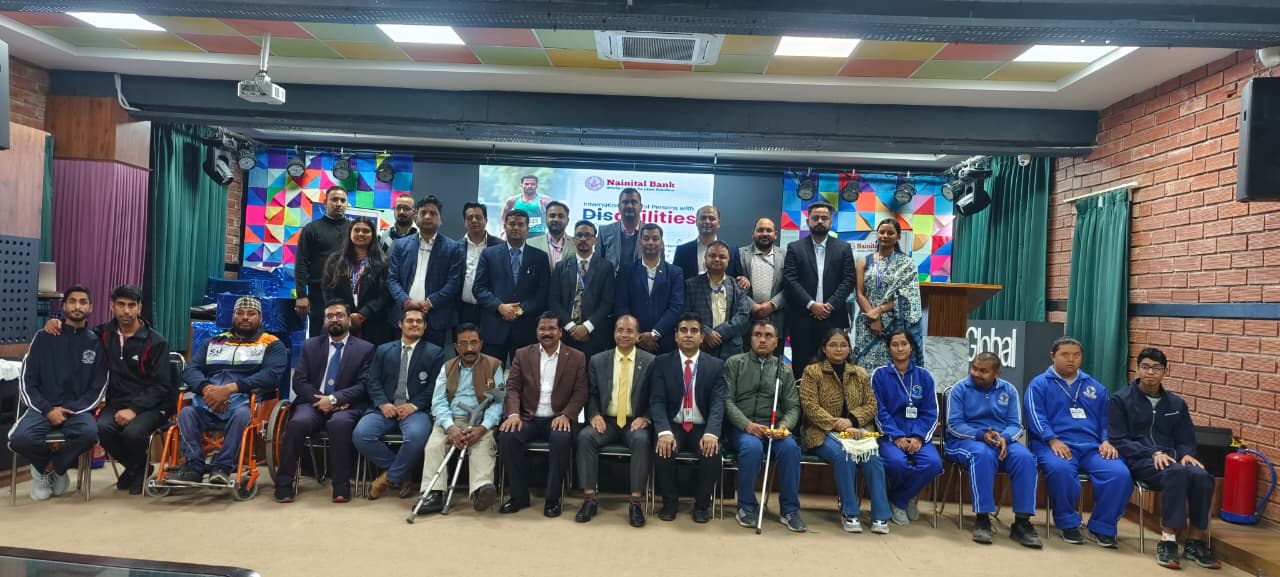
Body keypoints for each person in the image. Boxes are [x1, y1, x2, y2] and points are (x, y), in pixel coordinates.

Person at [1110, 348, 1219, 569]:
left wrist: (1186, 454)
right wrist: (1152, 453)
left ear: (1165, 371)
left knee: (1201, 476)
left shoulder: (1177, 404)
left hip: (1173, 459)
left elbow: (1186, 439)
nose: (1150, 372)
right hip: (1141, 460)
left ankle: (1195, 541)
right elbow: (1118, 439)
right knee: (1175, 473)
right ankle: (1168, 540)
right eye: (1145, 367)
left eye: (1156, 368)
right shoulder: (1120, 400)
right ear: (1137, 369)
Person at [62, 284, 171, 495]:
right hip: (117, 402)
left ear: (139, 308)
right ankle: (139, 467)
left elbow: (162, 386)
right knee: (100, 428)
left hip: (153, 405)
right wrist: (57, 323)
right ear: (112, 306)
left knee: (133, 433)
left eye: (131, 305)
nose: (126, 310)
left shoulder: (157, 342)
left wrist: (134, 409)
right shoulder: (102, 334)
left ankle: (135, 469)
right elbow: (77, 332)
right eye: (121, 304)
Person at [171, 297, 288, 486]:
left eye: (251, 314)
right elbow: (191, 370)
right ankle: (193, 466)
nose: (245, 317)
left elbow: (271, 375)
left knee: (242, 415)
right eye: (240, 313)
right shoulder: (214, 342)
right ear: (233, 316)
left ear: (260, 318)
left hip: (245, 402)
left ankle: (223, 467)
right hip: (208, 401)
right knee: (186, 413)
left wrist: (230, 390)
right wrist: (208, 389)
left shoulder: (272, 344)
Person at [1026, 337, 1131, 547]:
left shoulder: (1096, 387)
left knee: (1120, 474)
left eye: (1076, 355)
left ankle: (1102, 527)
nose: (1071, 359)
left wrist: (1107, 441)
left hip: (1092, 447)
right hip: (1052, 445)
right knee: (1061, 470)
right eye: (1065, 355)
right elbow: (1036, 417)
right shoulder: (1039, 384)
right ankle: (1068, 524)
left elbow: (1106, 420)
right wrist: (1052, 440)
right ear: (1053, 356)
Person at [10, 285, 108, 500]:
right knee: (19, 438)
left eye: (83, 302)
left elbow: (97, 388)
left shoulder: (96, 343)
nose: (77, 306)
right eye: (72, 301)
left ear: (91, 308)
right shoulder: (44, 337)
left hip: (76, 411)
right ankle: (45, 469)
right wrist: (48, 410)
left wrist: (68, 410)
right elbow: (27, 381)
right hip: (41, 409)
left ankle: (52, 467)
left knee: (90, 434)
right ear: (63, 306)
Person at [273, 300, 375, 504]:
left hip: (346, 405)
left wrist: (335, 399)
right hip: (313, 403)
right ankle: (284, 484)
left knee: (340, 424)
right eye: (330, 316)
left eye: (339, 315)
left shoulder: (366, 349)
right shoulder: (311, 345)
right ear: (324, 320)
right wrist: (322, 400)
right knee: (297, 423)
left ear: (349, 320)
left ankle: (341, 485)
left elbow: (364, 385)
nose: (334, 319)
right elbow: (299, 381)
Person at [943, 352, 1042, 547]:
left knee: (1026, 458)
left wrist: (1004, 438)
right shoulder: (960, 389)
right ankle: (982, 519)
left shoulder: (1009, 390)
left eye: (983, 371)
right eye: (974, 368)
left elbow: (1015, 425)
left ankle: (1022, 523)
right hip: (965, 440)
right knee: (982, 454)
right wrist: (981, 435)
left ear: (997, 373)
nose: (976, 373)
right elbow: (954, 425)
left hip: (1001, 440)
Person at [798, 328, 891, 534]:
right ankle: (850, 512)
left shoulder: (860, 373)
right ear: (824, 348)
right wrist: (837, 424)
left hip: (857, 431)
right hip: (821, 432)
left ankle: (880, 516)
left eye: (843, 345)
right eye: (833, 345)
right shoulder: (812, 371)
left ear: (849, 348)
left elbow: (871, 405)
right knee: (844, 455)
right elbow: (810, 406)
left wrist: (851, 421)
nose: (838, 349)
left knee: (873, 459)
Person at [497, 313, 588, 517]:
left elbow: (581, 391)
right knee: (507, 436)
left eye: (551, 329)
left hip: (558, 417)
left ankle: (552, 499)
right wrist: (513, 414)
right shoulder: (522, 354)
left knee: (561, 439)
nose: (546, 333)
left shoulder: (576, 357)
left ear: (560, 332)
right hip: (527, 417)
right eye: (542, 329)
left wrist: (567, 415)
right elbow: (513, 388)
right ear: (536, 332)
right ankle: (519, 496)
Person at [352, 309, 444, 500]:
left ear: (425, 326)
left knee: (416, 436)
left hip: (416, 411)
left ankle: (388, 478)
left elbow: (436, 387)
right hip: (384, 409)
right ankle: (402, 473)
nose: (414, 324)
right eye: (410, 321)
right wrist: (383, 403)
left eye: (419, 321)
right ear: (400, 324)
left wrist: (414, 406)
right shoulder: (383, 350)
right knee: (361, 435)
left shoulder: (435, 352)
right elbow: (373, 381)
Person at [575, 315, 655, 527]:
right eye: (620, 330)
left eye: (629, 331)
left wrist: (646, 417)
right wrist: (594, 415)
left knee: (641, 440)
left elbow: (656, 397)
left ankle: (635, 503)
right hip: (607, 421)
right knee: (585, 437)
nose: (624, 335)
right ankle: (589, 499)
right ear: (613, 334)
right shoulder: (598, 360)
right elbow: (591, 394)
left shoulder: (650, 361)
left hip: (634, 421)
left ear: (637, 335)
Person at [416, 323, 505, 514]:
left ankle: (481, 490)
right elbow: (438, 402)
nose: (469, 348)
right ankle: (433, 494)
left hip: (480, 420)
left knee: (484, 442)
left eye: (474, 343)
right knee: (434, 445)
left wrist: (483, 427)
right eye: (463, 344)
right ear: (456, 347)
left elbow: (498, 403)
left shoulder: (494, 365)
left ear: (481, 344)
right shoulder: (447, 367)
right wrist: (450, 427)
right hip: (451, 419)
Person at [724, 321, 804, 532]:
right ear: (750, 339)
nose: (762, 339)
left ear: (776, 341)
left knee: (791, 448)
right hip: (743, 427)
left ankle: (790, 510)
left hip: (774, 427)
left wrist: (784, 426)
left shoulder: (783, 369)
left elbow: (793, 406)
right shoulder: (734, 363)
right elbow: (727, 401)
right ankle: (746, 507)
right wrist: (746, 425)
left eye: (768, 336)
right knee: (751, 448)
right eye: (757, 334)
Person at [650, 313, 725, 524]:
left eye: (694, 331)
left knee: (712, 454)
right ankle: (669, 503)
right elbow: (657, 401)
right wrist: (664, 432)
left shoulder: (716, 365)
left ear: (702, 337)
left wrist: (712, 433)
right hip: (673, 424)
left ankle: (701, 506)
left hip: (702, 426)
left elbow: (718, 403)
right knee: (663, 450)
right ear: (675, 336)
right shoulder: (662, 362)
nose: (688, 335)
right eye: (683, 330)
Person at [870, 330, 942, 526]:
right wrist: (896, 436)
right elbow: (878, 410)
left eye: (904, 344)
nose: (900, 348)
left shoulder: (924, 376)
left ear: (911, 347)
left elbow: (931, 412)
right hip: (890, 436)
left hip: (918, 436)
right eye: (895, 344)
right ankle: (905, 499)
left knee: (933, 464)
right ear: (888, 348)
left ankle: (899, 499)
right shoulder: (879, 375)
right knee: (896, 463)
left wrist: (918, 437)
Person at [783, 202, 856, 378]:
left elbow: (849, 280)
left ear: (831, 222)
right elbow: (790, 280)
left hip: (834, 318)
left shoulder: (843, 248)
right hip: (802, 318)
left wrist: (829, 305)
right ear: (808, 221)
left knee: (834, 366)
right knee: (802, 368)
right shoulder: (795, 248)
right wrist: (811, 304)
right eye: (815, 218)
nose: (820, 221)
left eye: (824, 218)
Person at [473, 209, 551, 361]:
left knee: (525, 374)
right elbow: (479, 288)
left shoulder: (540, 257)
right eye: (512, 224)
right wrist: (500, 307)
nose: (516, 228)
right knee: (491, 374)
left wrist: (520, 310)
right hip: (494, 327)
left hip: (525, 329)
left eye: (520, 224)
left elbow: (542, 293)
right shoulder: (489, 254)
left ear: (528, 229)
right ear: (504, 226)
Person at [387, 196, 464, 347]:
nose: (428, 217)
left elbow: (454, 283)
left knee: (431, 359)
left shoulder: (453, 248)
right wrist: (405, 301)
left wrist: (430, 302)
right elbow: (392, 279)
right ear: (416, 217)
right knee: (401, 357)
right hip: (404, 314)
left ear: (440, 220)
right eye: (423, 213)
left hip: (435, 316)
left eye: (433, 213)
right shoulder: (401, 245)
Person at [853, 218, 923, 371]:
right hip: (867, 322)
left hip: (895, 324)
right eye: (882, 232)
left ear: (898, 236)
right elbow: (859, 293)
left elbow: (908, 296)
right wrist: (873, 318)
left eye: (890, 233)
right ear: (877, 234)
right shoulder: (864, 261)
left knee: (892, 368)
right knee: (863, 367)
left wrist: (880, 310)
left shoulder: (907, 264)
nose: (885, 236)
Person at [549, 220, 615, 358]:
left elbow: (607, 302)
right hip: (566, 333)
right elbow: (553, 300)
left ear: (595, 240)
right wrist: (571, 326)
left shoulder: (606, 267)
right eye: (579, 235)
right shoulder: (561, 267)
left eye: (588, 235)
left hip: (594, 334)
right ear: (574, 239)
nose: (583, 239)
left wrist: (587, 327)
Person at [615, 223, 684, 355]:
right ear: (640, 243)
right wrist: (635, 333)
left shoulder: (675, 272)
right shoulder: (627, 270)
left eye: (655, 238)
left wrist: (655, 333)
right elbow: (621, 305)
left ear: (662, 243)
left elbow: (676, 307)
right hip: (632, 340)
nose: (650, 242)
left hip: (663, 341)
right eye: (646, 238)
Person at [323, 218, 394, 345]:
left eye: (366, 231)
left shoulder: (383, 262)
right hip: (339, 320)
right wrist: (344, 313)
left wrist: (362, 315)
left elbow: (384, 294)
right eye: (357, 230)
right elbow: (327, 289)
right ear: (350, 234)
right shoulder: (335, 260)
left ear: (373, 235)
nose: (361, 233)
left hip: (372, 322)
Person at [295, 185, 352, 336]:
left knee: (347, 336)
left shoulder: (353, 229)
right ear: (325, 202)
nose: (338, 204)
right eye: (334, 200)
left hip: (348, 292)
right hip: (318, 293)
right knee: (319, 336)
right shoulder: (312, 229)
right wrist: (301, 295)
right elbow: (301, 261)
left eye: (343, 200)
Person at [683, 241, 751, 360]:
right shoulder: (690, 285)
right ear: (705, 258)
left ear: (729, 260)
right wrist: (706, 333)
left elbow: (743, 316)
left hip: (732, 350)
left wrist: (718, 334)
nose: (717, 259)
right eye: (712, 256)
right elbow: (686, 314)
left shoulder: (738, 286)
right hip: (702, 347)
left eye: (722, 257)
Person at [738, 218, 786, 355]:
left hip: (776, 319)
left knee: (774, 363)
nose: (764, 233)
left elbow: (790, 287)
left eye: (768, 230)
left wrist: (772, 305)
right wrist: (752, 306)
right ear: (753, 233)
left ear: (775, 234)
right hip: (747, 319)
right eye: (760, 230)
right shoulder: (740, 254)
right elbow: (734, 283)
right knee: (745, 362)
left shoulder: (786, 255)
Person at [458, 202, 504, 326]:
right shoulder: (456, 247)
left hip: (491, 310)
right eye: (469, 218)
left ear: (486, 220)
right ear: (465, 222)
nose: (474, 221)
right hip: (463, 309)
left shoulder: (500, 246)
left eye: (478, 217)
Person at [673, 205, 742, 280]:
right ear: (696, 222)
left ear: (718, 223)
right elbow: (675, 279)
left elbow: (738, 278)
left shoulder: (732, 251)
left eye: (711, 219)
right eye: (703, 218)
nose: (707, 221)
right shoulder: (682, 251)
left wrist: (743, 279)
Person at [598, 188, 644, 270]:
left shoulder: (652, 233)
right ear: (619, 207)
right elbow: (597, 265)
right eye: (625, 202)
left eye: (634, 202)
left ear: (641, 207)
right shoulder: (604, 232)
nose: (629, 206)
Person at [527, 200, 570, 270]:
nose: (556, 219)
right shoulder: (530, 244)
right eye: (552, 216)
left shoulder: (576, 244)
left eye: (561, 216)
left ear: (568, 220)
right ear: (545, 219)